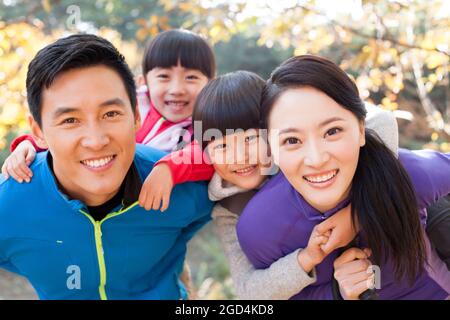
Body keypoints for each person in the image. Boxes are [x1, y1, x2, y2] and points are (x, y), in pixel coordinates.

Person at [136, 70, 401, 299]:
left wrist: (355, 215)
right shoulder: (230, 211)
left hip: (395, 252)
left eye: (251, 139)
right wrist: (306, 258)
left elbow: (382, 121)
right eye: (223, 146)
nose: (240, 157)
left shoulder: (305, 156)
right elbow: (249, 291)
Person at [0, 34, 213, 300]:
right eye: (70, 120)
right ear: (38, 131)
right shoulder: (9, 203)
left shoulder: (181, 186)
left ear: (136, 116)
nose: (96, 141)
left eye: (111, 114)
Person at [236, 55, 450, 300]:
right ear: (271, 149)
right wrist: (337, 294)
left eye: (332, 131)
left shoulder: (406, 173)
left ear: (361, 130)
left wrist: (365, 211)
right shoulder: (261, 228)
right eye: (292, 140)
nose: (316, 160)